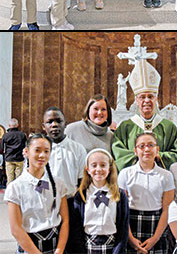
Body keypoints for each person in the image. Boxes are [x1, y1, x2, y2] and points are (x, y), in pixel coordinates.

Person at [4, 133, 69, 254]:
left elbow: (65, 220)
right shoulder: (15, 187)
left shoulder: (58, 183)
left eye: (46, 151)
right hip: (29, 248)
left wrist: (59, 250)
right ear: (27, 152)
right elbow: (16, 229)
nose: (42, 155)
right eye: (37, 150)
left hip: (56, 247)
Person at [112, 59, 177, 172]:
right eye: (142, 97)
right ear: (136, 100)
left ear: (156, 99)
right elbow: (119, 154)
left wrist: (159, 156)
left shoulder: (169, 127)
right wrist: (142, 156)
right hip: (133, 180)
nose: (147, 100)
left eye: (150, 96)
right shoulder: (125, 127)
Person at [118, 132, 175, 254]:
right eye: (142, 146)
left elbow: (167, 209)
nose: (147, 149)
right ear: (135, 150)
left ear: (157, 149)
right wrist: (130, 238)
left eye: (151, 145)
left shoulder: (166, 175)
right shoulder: (125, 173)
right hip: (130, 224)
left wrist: (155, 238)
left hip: (157, 225)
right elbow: (121, 209)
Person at [42, 107, 86, 253]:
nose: (54, 125)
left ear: (65, 124)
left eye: (58, 121)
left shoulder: (78, 149)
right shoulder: (40, 152)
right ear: (44, 126)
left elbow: (81, 181)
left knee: (73, 244)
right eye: (50, 122)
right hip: (46, 203)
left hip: (71, 203)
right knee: (50, 243)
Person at [71, 148, 129, 253]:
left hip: (112, 247)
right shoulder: (81, 196)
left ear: (109, 169)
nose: (98, 169)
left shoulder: (119, 195)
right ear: (87, 169)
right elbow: (76, 228)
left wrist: (118, 251)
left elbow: (123, 227)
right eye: (94, 165)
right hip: (88, 247)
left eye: (103, 165)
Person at [0, 118, 26, 185]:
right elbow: (26, 146)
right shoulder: (22, 134)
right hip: (19, 159)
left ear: (9, 125)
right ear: (17, 125)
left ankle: (10, 194)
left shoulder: (5, 135)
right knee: (19, 179)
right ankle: (19, 194)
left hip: (9, 159)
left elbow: (2, 148)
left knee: (10, 179)